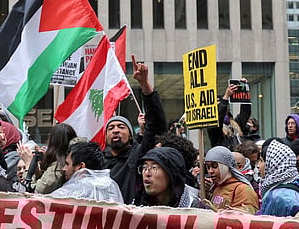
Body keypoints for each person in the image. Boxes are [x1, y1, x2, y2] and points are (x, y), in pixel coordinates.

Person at [104, 56, 168, 204]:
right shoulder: (98, 161)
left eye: (121, 127)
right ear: (106, 136)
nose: (116, 130)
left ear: (131, 135)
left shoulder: (137, 155)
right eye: (111, 128)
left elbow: (156, 127)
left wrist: (144, 85)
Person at [51, 141, 124, 203]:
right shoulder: (112, 186)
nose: (64, 168)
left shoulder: (70, 192)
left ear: (80, 166)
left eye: (67, 164)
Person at [134, 147, 205, 208]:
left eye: (154, 167)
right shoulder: (138, 208)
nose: (146, 173)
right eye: (144, 167)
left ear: (172, 173)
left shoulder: (195, 210)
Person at [258, 140, 299, 216]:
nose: (258, 165)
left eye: (261, 161)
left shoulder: (279, 197)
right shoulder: (291, 186)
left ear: (274, 164)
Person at [202, 146, 258, 213]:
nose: (210, 171)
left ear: (225, 166)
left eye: (214, 166)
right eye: (208, 167)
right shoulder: (215, 187)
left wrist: (219, 212)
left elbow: (248, 216)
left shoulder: (243, 189)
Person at [27, 123, 77, 194]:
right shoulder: (67, 162)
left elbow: (36, 190)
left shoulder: (59, 166)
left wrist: (28, 164)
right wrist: (37, 172)